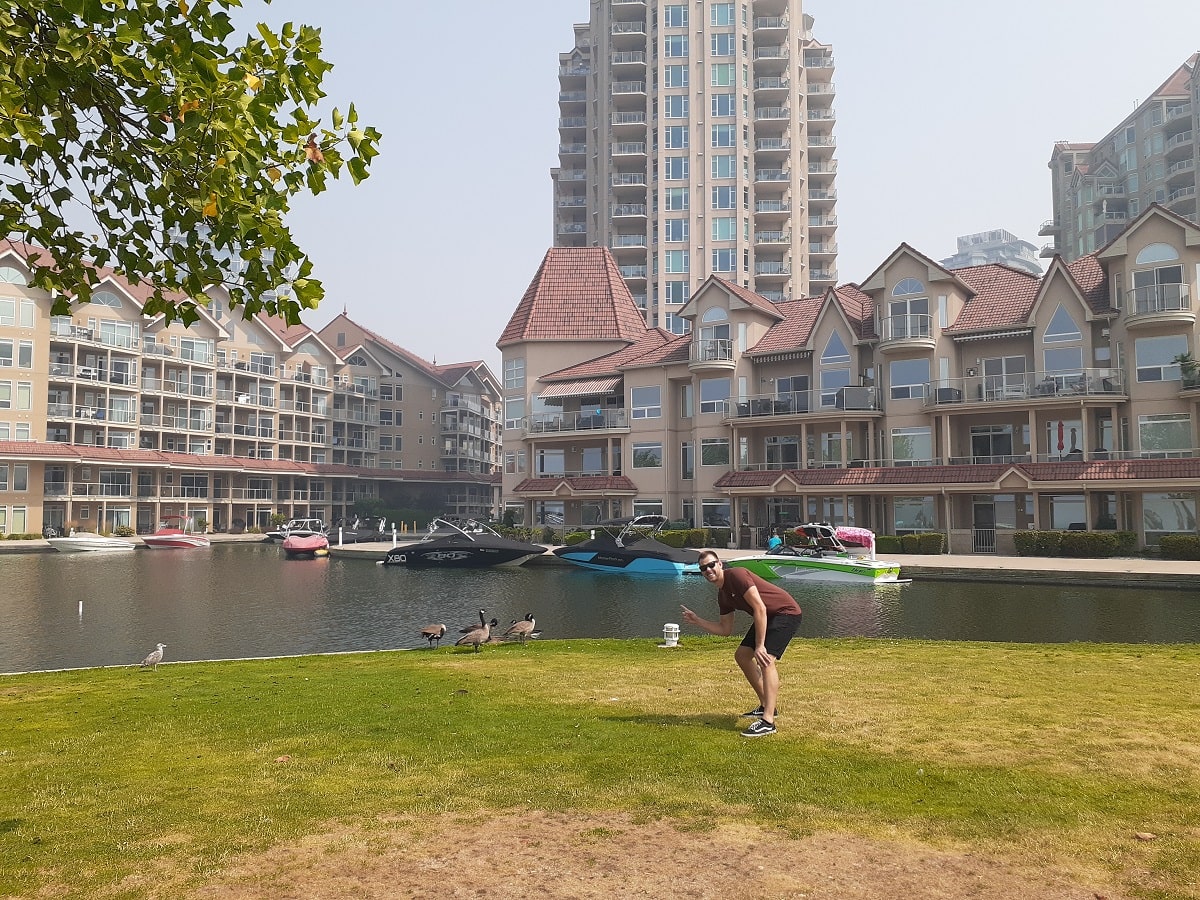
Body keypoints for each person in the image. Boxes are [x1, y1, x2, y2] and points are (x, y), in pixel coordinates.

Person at [680, 550, 802, 737]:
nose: (708, 570)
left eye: (711, 565)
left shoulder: (737, 575)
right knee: (742, 656)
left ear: (720, 564)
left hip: (785, 612)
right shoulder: (723, 595)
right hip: (768, 616)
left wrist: (760, 646)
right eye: (703, 568)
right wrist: (697, 621)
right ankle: (766, 705)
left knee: (765, 659)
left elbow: (759, 608)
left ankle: (768, 722)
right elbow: (725, 629)